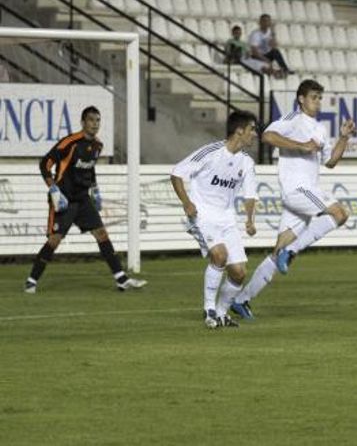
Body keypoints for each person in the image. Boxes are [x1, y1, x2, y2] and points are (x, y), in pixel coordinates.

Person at [228, 79, 355, 320]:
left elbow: (330, 162)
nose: (317, 102)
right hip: (297, 189)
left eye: (320, 98)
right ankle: (293, 250)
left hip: (305, 193)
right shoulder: (292, 120)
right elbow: (267, 136)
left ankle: (241, 300)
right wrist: (301, 146)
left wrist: (344, 138)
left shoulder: (319, 129)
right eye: (313, 97)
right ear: (301, 99)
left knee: (277, 252)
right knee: (340, 214)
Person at [24, 106, 147, 294]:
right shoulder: (70, 143)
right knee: (54, 240)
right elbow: (45, 163)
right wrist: (53, 188)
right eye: (91, 120)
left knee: (102, 234)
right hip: (63, 199)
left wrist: (95, 189)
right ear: (83, 122)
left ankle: (121, 279)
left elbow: (89, 169)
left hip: (82, 199)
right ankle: (31, 281)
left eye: (98, 120)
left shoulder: (98, 146)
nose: (95, 124)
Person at [170, 111, 259, 329]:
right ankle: (209, 309)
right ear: (239, 131)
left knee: (239, 272)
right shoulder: (211, 152)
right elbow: (177, 173)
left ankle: (221, 313)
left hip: (227, 219)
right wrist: (186, 203)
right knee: (219, 255)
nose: (255, 134)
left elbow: (250, 195)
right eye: (252, 129)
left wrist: (249, 220)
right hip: (203, 215)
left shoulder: (246, 162)